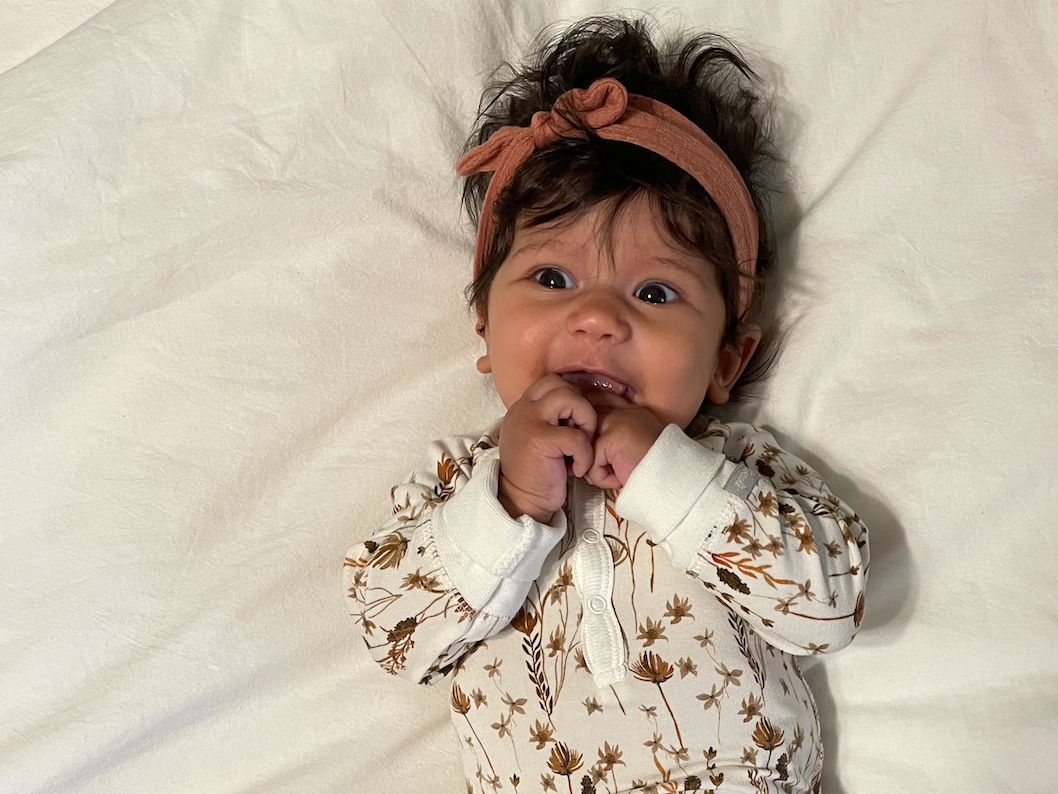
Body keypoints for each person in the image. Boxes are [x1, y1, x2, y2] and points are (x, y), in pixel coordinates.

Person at [343, 16, 868, 794]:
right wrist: (510, 502)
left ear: (727, 359)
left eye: (654, 292)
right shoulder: (457, 485)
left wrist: (670, 478)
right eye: (552, 279)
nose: (596, 318)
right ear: (484, 327)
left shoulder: (741, 471)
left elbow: (830, 608)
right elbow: (393, 634)